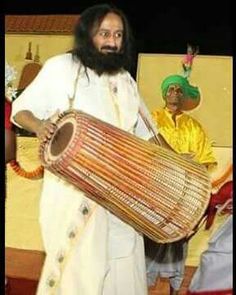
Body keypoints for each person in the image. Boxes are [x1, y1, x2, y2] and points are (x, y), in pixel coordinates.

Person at [11, 4, 157, 295]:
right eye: (104, 33)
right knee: (80, 274)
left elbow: (148, 136)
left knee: (122, 267)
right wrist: (41, 126)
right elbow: (20, 110)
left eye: (118, 34)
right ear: (87, 35)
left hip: (120, 197)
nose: (112, 41)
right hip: (73, 194)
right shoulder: (63, 68)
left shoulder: (125, 80)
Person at [145, 74, 217, 295]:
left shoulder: (194, 126)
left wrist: (196, 177)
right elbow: (145, 149)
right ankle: (143, 284)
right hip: (158, 189)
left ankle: (175, 288)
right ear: (164, 93)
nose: (174, 92)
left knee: (179, 240)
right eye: (170, 89)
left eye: (178, 89)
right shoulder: (152, 118)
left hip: (185, 193)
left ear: (183, 95)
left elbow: (205, 159)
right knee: (152, 237)